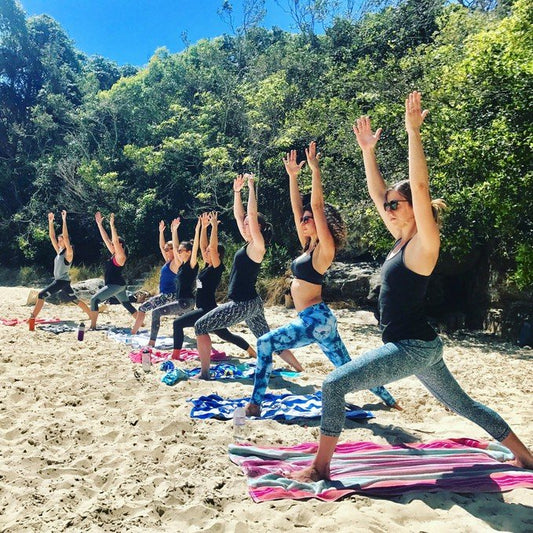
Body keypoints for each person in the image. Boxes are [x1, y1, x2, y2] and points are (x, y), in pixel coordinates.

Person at [287, 92, 533, 482]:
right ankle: (525, 457)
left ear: (414, 208)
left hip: (411, 347)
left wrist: (412, 131)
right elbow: (376, 192)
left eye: (396, 205)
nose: (388, 209)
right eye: (388, 206)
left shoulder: (424, 244)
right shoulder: (400, 240)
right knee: (464, 405)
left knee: (333, 385)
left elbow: (419, 185)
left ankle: (319, 468)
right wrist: (368, 152)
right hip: (424, 345)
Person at [246, 142, 399, 416]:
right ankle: (389, 399)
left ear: (321, 222)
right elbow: (298, 209)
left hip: (314, 319)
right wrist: (292, 177)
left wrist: (315, 170)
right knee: (346, 366)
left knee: (265, 343)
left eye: (309, 219)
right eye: (303, 219)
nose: (304, 220)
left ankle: (255, 403)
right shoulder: (309, 246)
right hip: (318, 319)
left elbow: (316, 205)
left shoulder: (324, 249)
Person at [194, 173, 302, 380]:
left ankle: (204, 373)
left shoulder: (258, 246)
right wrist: (236, 192)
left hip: (242, 303)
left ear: (258, 227)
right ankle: (299, 369)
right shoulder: (249, 243)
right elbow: (239, 215)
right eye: (244, 224)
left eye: (249, 224)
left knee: (200, 326)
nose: (244, 224)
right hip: (253, 303)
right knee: (267, 338)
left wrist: (251, 187)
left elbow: (250, 216)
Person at [170, 211, 257, 359]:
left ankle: (175, 355)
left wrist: (214, 228)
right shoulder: (206, 266)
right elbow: (204, 245)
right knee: (225, 335)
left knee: (177, 324)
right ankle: (251, 351)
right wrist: (204, 228)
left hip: (207, 309)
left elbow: (212, 247)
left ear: (217, 255)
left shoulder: (216, 268)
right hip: (206, 309)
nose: (206, 252)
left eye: (209, 252)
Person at [30, 210, 91, 322]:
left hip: (61, 282)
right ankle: (91, 315)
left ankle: (32, 317)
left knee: (41, 295)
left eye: (60, 240)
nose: (58, 241)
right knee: (75, 300)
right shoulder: (59, 251)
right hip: (63, 282)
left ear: (66, 242)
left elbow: (66, 238)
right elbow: (52, 236)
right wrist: (50, 222)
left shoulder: (69, 254)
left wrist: (64, 220)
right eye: (58, 240)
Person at [146, 217, 198, 347]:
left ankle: (152, 342)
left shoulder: (191, 264)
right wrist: (173, 230)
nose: (177, 252)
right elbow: (174, 247)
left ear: (189, 252)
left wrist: (198, 231)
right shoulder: (180, 265)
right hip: (182, 302)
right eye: (178, 251)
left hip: (187, 302)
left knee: (156, 312)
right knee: (194, 323)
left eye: (181, 251)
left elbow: (195, 248)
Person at [90, 212, 138, 329]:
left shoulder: (121, 256)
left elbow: (114, 241)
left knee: (94, 300)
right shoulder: (114, 254)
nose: (111, 244)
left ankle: (93, 326)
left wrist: (112, 225)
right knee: (126, 304)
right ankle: (141, 321)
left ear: (120, 245)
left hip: (115, 284)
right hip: (118, 285)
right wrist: (99, 225)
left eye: (115, 243)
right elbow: (106, 239)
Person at [131, 220, 180, 334]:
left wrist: (174, 231)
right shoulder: (168, 261)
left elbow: (176, 248)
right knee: (147, 310)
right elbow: (161, 247)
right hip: (165, 295)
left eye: (168, 249)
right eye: (166, 249)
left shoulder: (176, 263)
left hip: (170, 296)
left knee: (142, 308)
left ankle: (133, 332)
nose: (166, 251)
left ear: (174, 250)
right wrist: (161, 232)